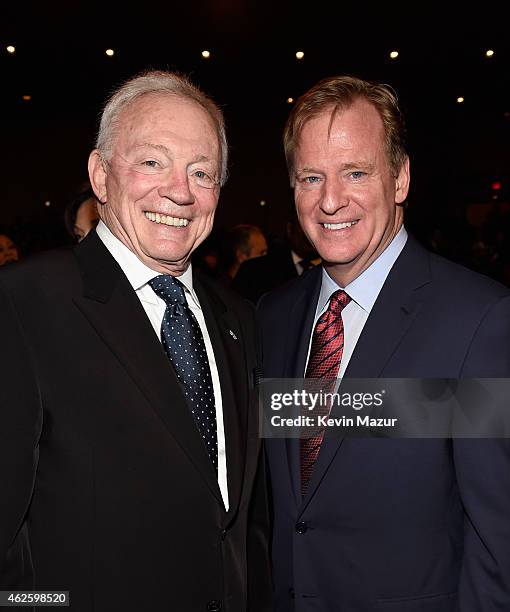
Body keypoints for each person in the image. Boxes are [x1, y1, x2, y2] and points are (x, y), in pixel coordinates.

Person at [0, 70, 271, 612]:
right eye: (153, 162)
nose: (180, 191)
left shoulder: (238, 318)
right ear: (101, 175)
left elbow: (244, 517)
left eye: (202, 172)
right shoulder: (24, 304)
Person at [258, 76, 510, 611]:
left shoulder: (478, 321)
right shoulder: (274, 316)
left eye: (356, 172)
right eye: (310, 178)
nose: (330, 201)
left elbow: (498, 544)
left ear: (400, 179)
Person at [233, 209, 319, 302]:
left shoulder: (331, 271)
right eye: (304, 225)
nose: (311, 233)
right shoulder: (256, 270)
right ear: (290, 228)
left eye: (318, 225)